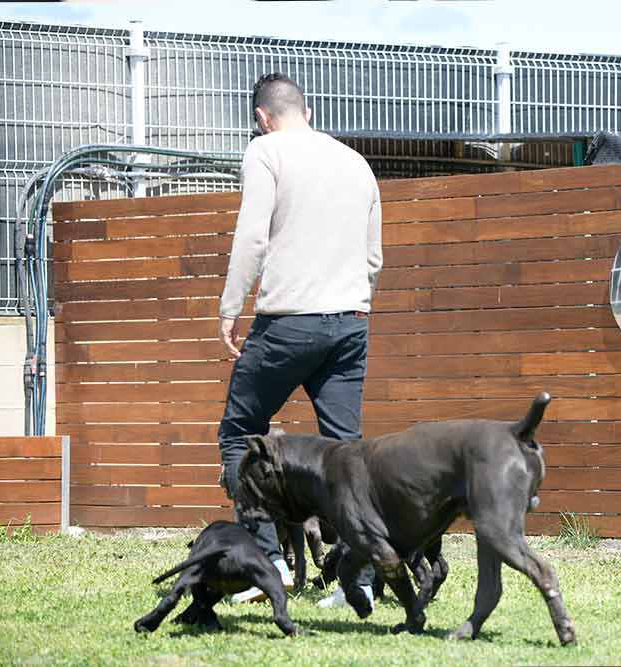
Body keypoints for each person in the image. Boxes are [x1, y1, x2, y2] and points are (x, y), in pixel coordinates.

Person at [216, 72, 382, 606]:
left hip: (288, 322)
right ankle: (362, 580)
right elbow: (374, 256)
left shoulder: (266, 152)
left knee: (241, 434)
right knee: (345, 455)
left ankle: (270, 566)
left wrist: (229, 306)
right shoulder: (355, 162)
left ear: (262, 117)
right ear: (304, 109)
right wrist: (353, 299)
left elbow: (252, 238)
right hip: (351, 320)